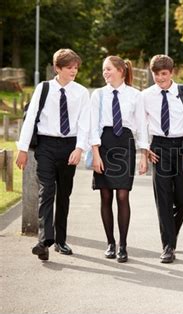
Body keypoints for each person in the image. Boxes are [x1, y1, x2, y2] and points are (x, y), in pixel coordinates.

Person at [16, 48, 90, 261]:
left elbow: (85, 123)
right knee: (47, 190)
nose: (74, 71)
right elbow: (30, 118)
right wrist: (23, 149)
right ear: (57, 68)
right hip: (46, 145)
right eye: (69, 68)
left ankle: (60, 241)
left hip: (69, 147)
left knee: (64, 194)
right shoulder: (44, 88)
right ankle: (44, 241)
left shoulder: (82, 92)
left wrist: (79, 148)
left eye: (76, 67)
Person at [89, 55, 148, 263]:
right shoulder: (98, 95)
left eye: (108, 69)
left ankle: (123, 245)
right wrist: (95, 154)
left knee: (123, 196)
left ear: (121, 71)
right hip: (104, 145)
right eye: (104, 69)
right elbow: (92, 126)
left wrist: (143, 156)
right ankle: (110, 243)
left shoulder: (135, 95)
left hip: (125, 144)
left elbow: (141, 126)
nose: (105, 73)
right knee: (105, 196)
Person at [142, 55, 183, 263]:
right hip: (159, 148)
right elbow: (141, 123)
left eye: (164, 74)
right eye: (156, 74)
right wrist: (144, 149)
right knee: (163, 199)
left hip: (182, 147)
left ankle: (171, 232)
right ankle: (168, 246)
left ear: (171, 73)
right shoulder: (146, 95)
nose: (160, 78)